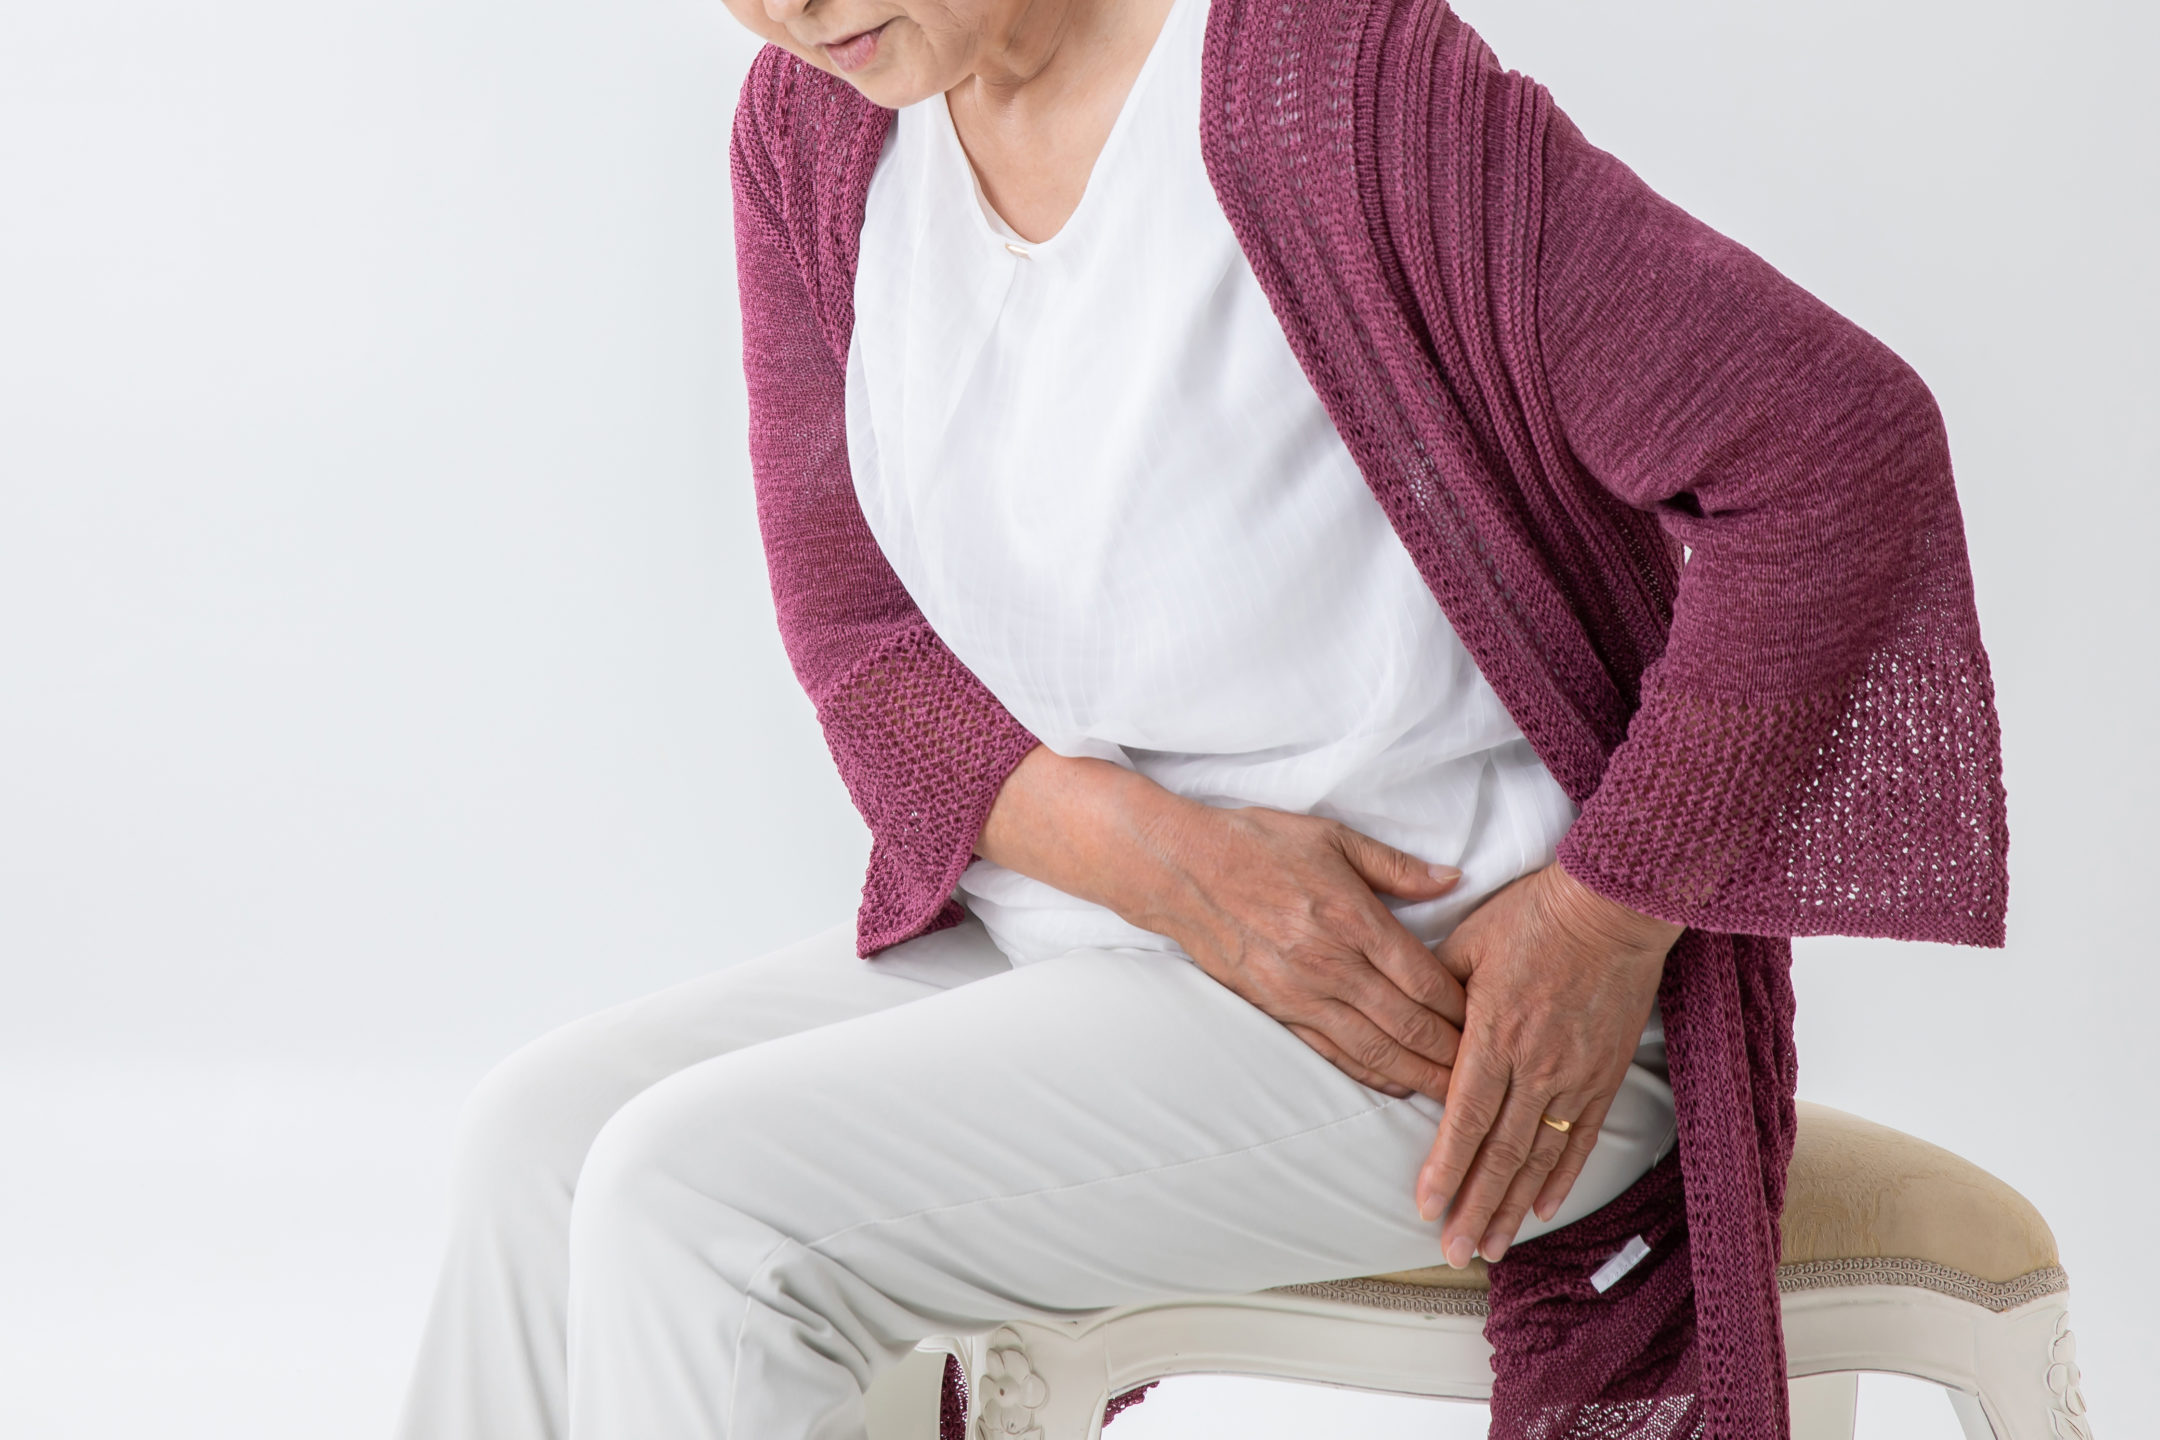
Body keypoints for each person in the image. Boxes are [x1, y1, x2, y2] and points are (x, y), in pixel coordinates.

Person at [394, 0, 2009, 1435]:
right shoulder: (818, 133)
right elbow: (860, 638)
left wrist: (1602, 927)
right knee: (537, 1143)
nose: (793, 8)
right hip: (1092, 935)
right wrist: (1183, 874)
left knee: (702, 1201)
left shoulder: (1329, 82)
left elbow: (1835, 454)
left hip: (1437, 1015)